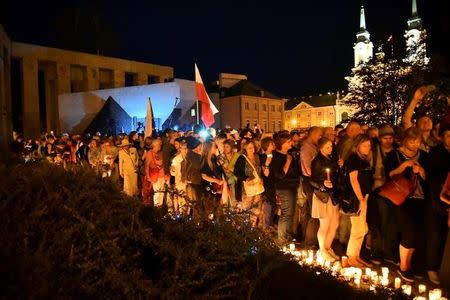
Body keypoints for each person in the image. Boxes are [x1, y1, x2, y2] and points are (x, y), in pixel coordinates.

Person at [384, 127, 427, 282]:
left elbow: (430, 177)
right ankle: (403, 266)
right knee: (408, 231)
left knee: (416, 232)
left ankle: (408, 262)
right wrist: (404, 166)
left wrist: (421, 170)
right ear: (405, 140)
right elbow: (389, 175)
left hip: (419, 199)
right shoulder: (393, 155)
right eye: (412, 141)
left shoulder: (423, 156)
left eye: (418, 141)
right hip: (400, 198)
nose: (416, 144)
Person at [424, 124, 450, 284]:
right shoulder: (435, 153)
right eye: (448, 135)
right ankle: (431, 268)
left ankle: (444, 267)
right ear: (442, 137)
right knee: (435, 235)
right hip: (435, 199)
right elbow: (430, 177)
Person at [310, 137, 341, 262]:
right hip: (323, 196)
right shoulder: (317, 161)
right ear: (321, 148)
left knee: (334, 223)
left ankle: (327, 247)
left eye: (331, 146)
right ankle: (322, 250)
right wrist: (322, 184)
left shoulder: (331, 158)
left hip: (333, 194)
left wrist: (339, 166)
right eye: (327, 147)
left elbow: (335, 174)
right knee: (325, 225)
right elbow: (312, 180)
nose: (330, 149)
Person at [345, 134, 374, 268]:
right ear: (357, 146)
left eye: (369, 145)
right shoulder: (353, 159)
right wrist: (361, 198)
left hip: (364, 197)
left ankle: (356, 255)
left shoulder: (364, 160)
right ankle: (351, 257)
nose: (367, 148)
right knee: (358, 228)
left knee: (362, 228)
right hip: (358, 198)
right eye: (364, 145)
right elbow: (353, 179)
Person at [271, 132, 301, 244]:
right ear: (282, 144)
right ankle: (282, 239)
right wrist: (288, 162)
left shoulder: (289, 154)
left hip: (292, 186)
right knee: (286, 214)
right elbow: (279, 175)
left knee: (290, 213)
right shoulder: (276, 156)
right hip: (284, 187)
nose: (291, 143)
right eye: (288, 142)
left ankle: (287, 236)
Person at [300, 126, 322, 247]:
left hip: (312, 181)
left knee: (310, 211)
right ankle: (310, 241)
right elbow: (308, 168)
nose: (319, 138)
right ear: (312, 134)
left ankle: (308, 238)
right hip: (310, 181)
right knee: (314, 212)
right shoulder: (307, 148)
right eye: (318, 135)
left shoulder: (312, 147)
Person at [234, 141, 263, 227]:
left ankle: (252, 228)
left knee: (256, 209)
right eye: (250, 148)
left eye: (253, 147)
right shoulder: (242, 158)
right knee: (245, 208)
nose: (252, 150)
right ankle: (243, 228)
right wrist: (246, 178)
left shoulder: (258, 157)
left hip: (257, 188)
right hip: (246, 189)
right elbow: (236, 172)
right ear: (245, 149)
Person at [200, 141, 225, 219]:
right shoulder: (205, 160)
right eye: (214, 146)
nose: (216, 148)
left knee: (217, 207)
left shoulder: (214, 158)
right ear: (209, 148)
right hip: (209, 189)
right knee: (210, 208)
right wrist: (217, 181)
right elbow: (204, 176)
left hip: (217, 187)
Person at [259, 137, 276, 230]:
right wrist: (267, 164)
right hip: (267, 185)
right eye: (271, 144)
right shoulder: (263, 157)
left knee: (273, 206)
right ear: (266, 146)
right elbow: (266, 174)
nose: (273, 145)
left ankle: (270, 224)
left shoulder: (274, 155)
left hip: (274, 184)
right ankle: (266, 227)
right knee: (268, 206)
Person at [218, 139, 239, 209]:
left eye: (227, 147)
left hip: (237, 179)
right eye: (224, 147)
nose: (225, 149)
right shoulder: (221, 157)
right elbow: (227, 169)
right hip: (228, 180)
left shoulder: (237, 155)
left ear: (232, 147)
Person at [145, 138, 166, 207]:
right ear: (155, 145)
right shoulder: (149, 153)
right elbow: (147, 166)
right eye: (159, 145)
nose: (160, 146)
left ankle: (159, 208)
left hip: (162, 176)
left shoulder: (161, 153)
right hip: (155, 176)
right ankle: (157, 209)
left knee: (161, 193)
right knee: (157, 193)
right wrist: (148, 176)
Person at [185, 136, 204, 211]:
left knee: (197, 199)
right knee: (197, 200)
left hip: (195, 179)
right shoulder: (193, 155)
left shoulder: (192, 154)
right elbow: (198, 166)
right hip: (195, 180)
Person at [171, 137, 188, 213]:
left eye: (186, 148)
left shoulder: (190, 159)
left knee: (188, 201)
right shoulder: (176, 159)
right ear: (180, 149)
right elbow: (173, 173)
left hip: (188, 183)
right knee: (181, 200)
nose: (184, 150)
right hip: (180, 183)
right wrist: (172, 170)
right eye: (183, 148)